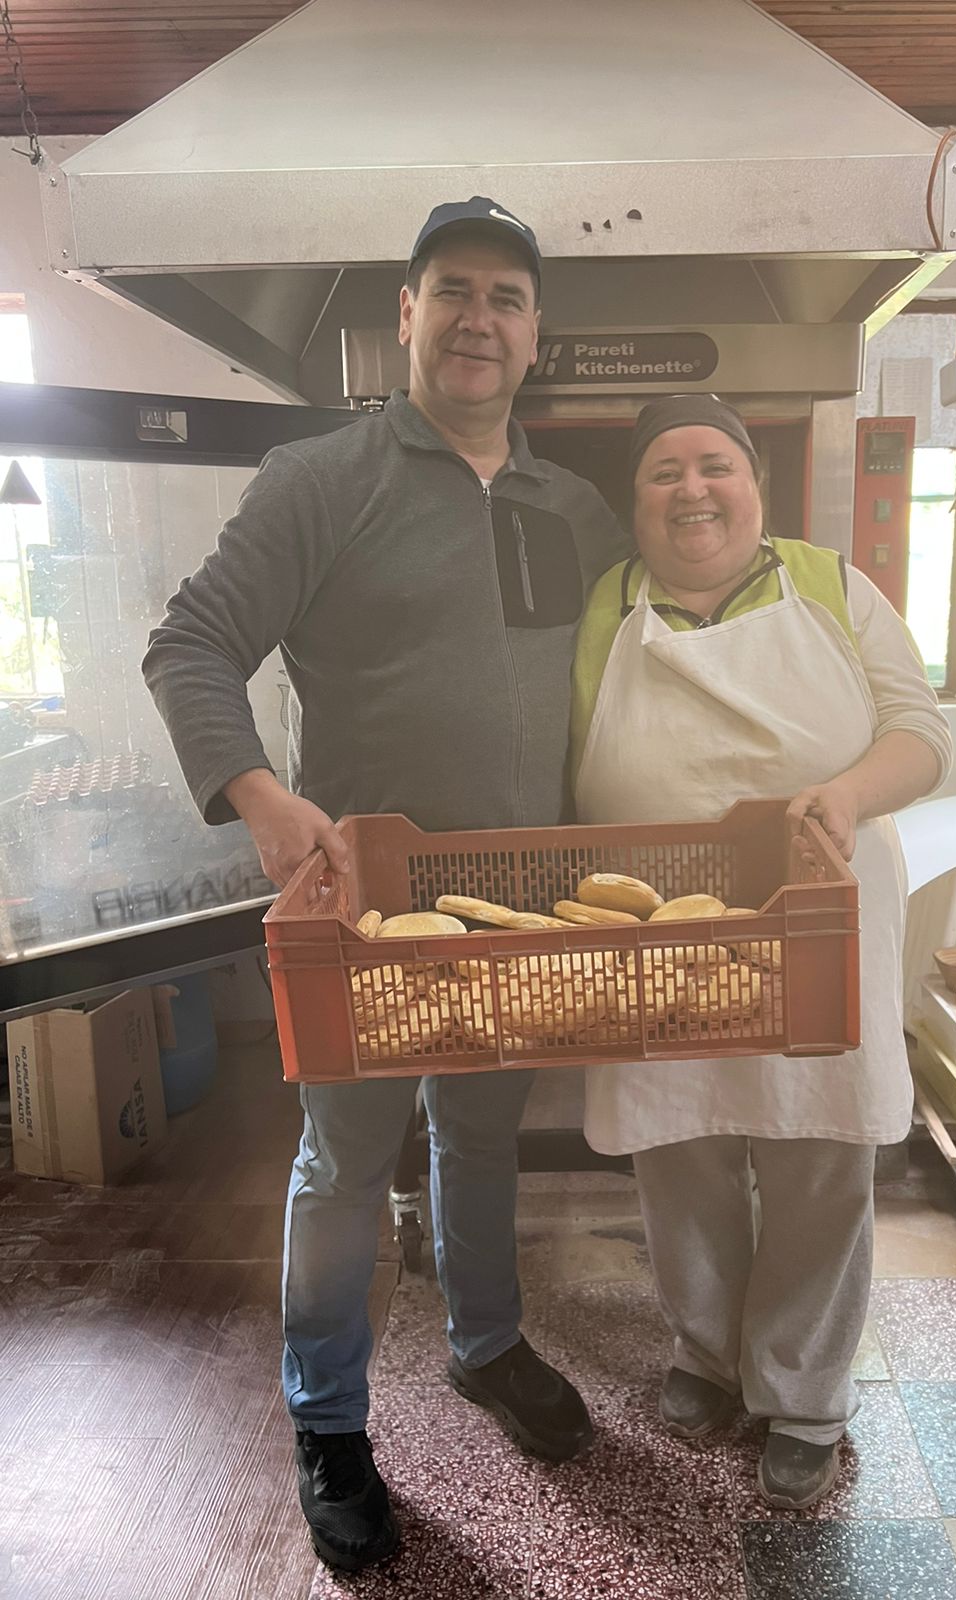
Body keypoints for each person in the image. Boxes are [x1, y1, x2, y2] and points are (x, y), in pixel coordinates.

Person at [143, 198, 626, 1573]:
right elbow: (190, 647)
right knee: (343, 1160)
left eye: (508, 298)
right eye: (452, 291)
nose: (480, 318)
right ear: (405, 317)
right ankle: (330, 1421)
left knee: (483, 1137)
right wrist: (262, 800)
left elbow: (618, 692)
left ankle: (484, 1345)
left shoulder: (574, 510)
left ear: (537, 339)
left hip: (521, 903)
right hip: (360, 908)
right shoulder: (322, 479)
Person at [569, 394, 952, 1510]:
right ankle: (707, 1352)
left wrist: (837, 795)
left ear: (756, 485)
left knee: (820, 1149)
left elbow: (921, 733)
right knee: (676, 1143)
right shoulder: (607, 604)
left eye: (715, 465)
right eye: (664, 472)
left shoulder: (832, 585)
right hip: (654, 927)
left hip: (818, 909)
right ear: (634, 502)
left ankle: (804, 1390)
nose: (693, 489)